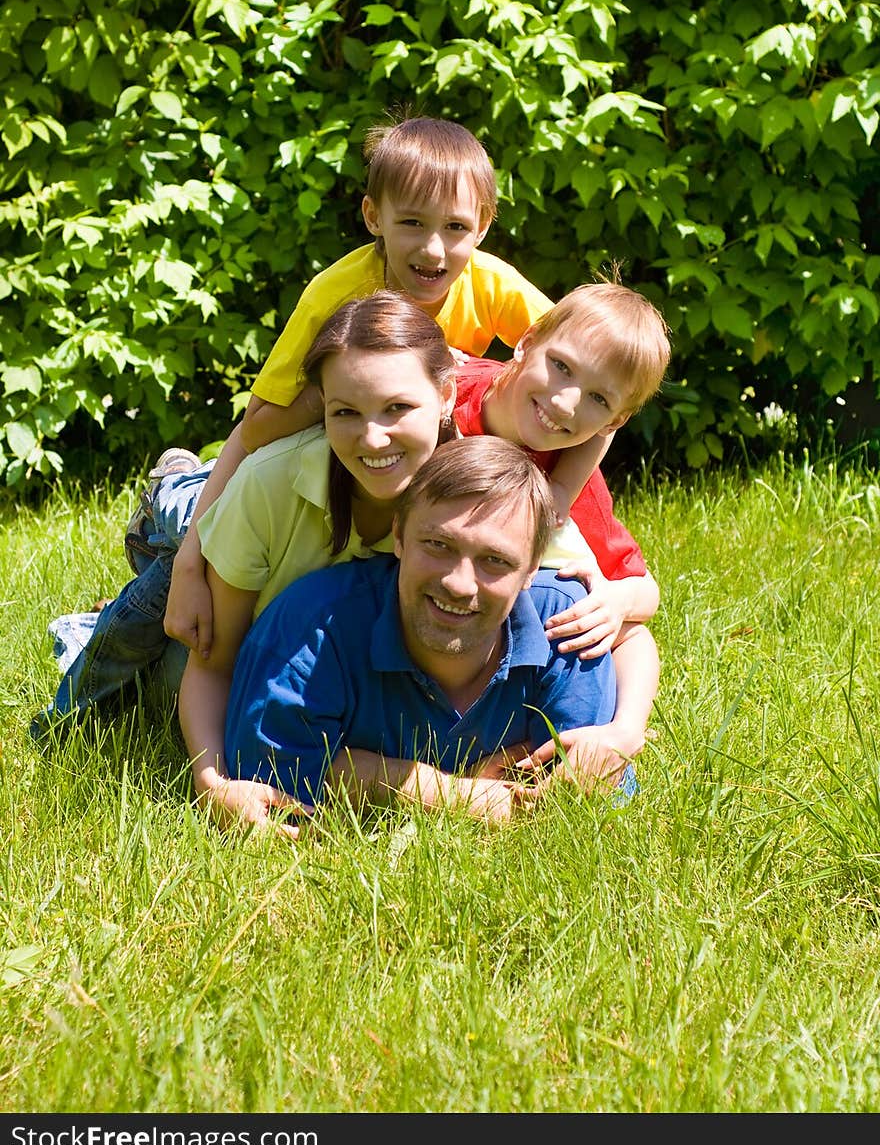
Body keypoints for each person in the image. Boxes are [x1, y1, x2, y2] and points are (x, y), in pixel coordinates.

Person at [36, 295, 600, 834]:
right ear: (322, 408)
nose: (373, 436)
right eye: (345, 412)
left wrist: (622, 733)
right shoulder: (272, 482)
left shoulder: (477, 494)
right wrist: (212, 781)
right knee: (166, 669)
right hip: (242, 579)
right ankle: (171, 495)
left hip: (320, 649)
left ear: (448, 394)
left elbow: (607, 613)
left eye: (399, 408)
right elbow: (213, 666)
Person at [163, 115, 611, 659]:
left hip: (389, 460)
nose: (433, 250)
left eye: (455, 228)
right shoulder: (338, 293)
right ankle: (175, 495)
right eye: (412, 223)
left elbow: (598, 388)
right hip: (283, 471)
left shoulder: (492, 282)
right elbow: (256, 428)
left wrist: (560, 496)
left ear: (484, 225)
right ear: (374, 217)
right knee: (178, 566)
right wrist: (352, 387)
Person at [224, 436, 629, 831]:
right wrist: (453, 792)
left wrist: (352, 769)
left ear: (530, 569)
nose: (459, 583)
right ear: (398, 534)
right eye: (438, 544)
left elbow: (576, 802)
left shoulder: (571, 624)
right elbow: (272, 784)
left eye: (495, 560)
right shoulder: (309, 626)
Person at [451, 279, 672, 783]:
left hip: (493, 663)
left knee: (592, 611)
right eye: (562, 366)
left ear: (616, 420)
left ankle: (607, 752)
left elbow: (642, 596)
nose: (566, 402)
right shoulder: (443, 398)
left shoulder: (566, 483)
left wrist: (615, 603)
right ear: (526, 341)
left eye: (597, 398)